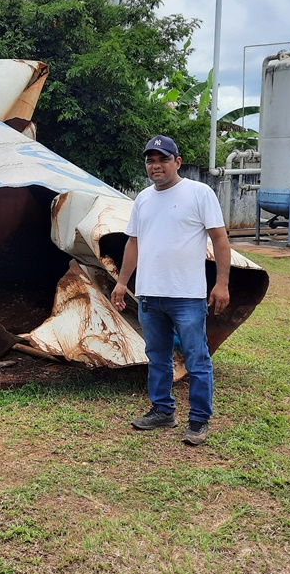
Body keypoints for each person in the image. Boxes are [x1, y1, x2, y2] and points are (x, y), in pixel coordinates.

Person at [110, 134, 231, 445]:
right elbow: (133, 243)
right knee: (158, 356)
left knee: (196, 358)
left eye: (163, 159)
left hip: (188, 296)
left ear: (177, 162)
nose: (156, 165)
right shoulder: (142, 199)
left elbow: (219, 239)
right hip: (150, 295)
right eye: (150, 160)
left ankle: (199, 420)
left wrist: (221, 283)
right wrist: (122, 283)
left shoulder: (199, 193)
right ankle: (163, 410)